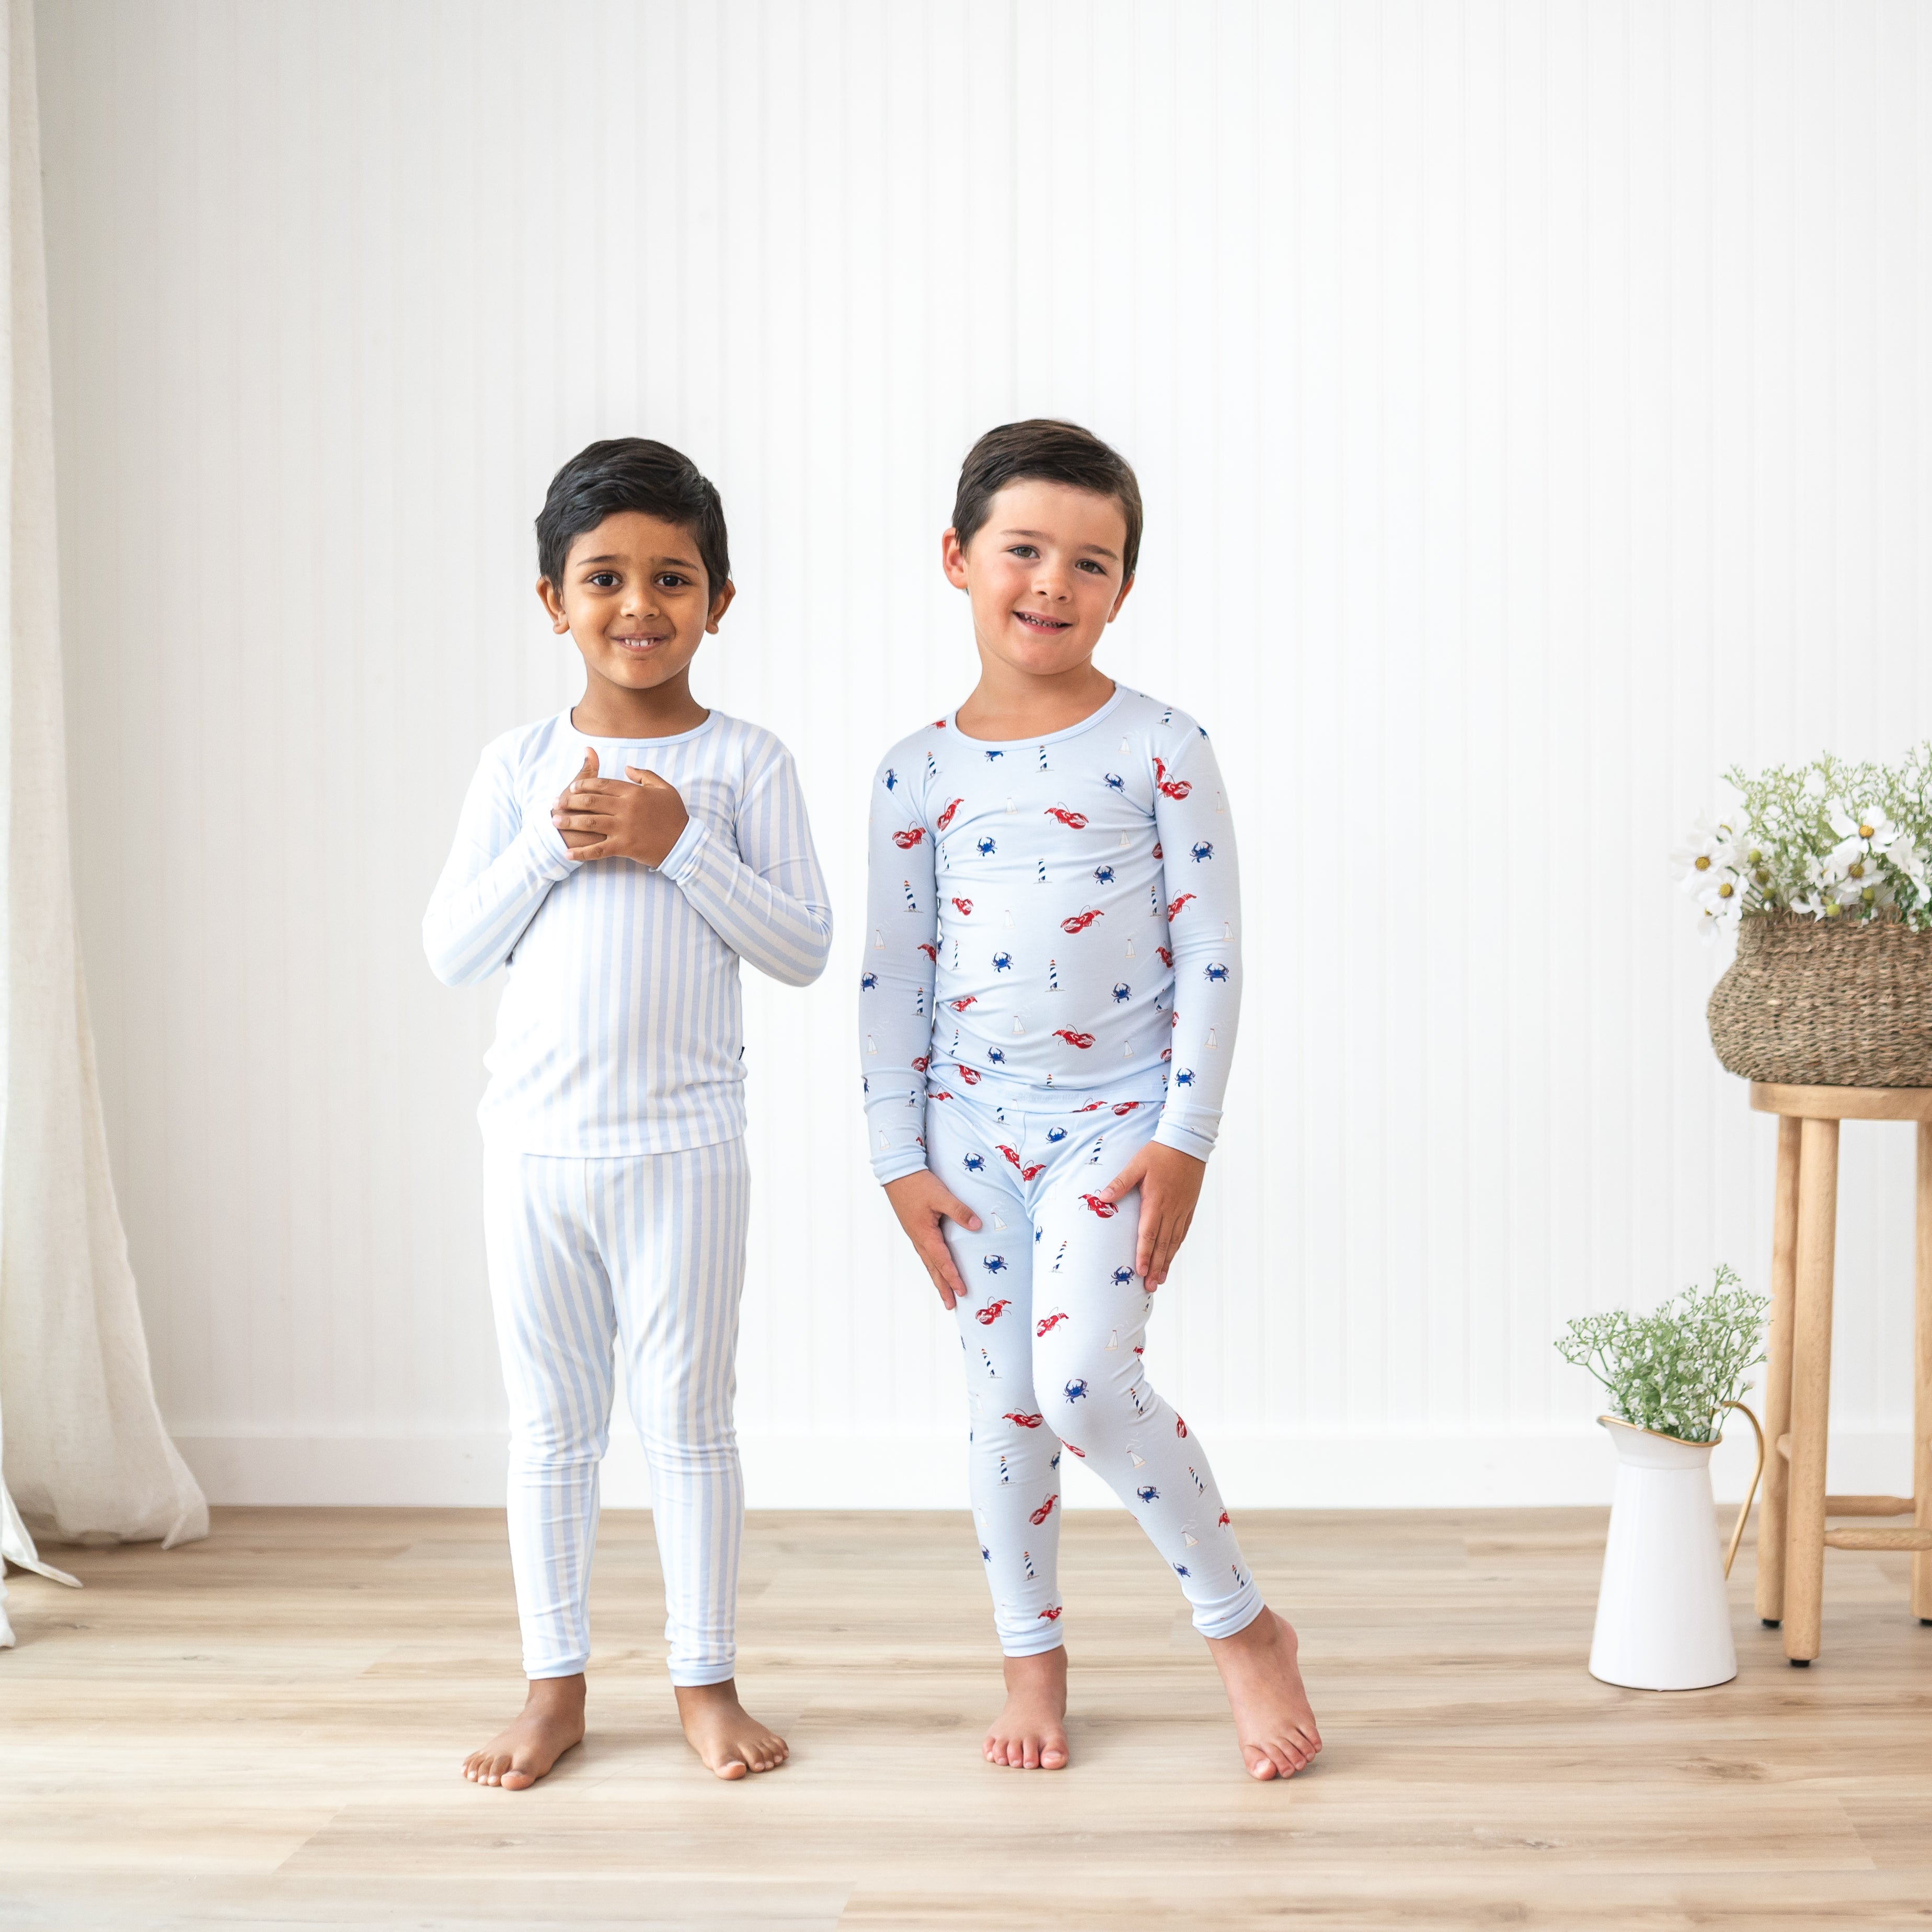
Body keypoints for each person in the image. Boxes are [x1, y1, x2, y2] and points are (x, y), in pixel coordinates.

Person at [860, 420, 1321, 1780]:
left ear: (1124, 588)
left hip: (1116, 1128)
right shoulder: (915, 772)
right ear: (957, 560)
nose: (1052, 582)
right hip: (967, 1135)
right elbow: (894, 980)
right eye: (1023, 550)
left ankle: (1243, 1627)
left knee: (1080, 1383)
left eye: (1091, 561)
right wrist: (898, 1155)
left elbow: (1216, 950)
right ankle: (1031, 1657)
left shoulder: (1162, 747)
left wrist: (1185, 1137)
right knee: (1003, 1407)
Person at [425, 438, 831, 1787]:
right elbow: (451, 951)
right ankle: (555, 1688)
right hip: (535, 1152)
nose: (640, 605)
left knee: (689, 1422)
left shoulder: (746, 764)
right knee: (551, 1426)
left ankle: (704, 1683)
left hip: (687, 1152)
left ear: (721, 599)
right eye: (606, 578)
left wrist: (679, 841)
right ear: (554, 600)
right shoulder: (516, 765)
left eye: (674, 577)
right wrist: (554, 837)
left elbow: (802, 949)